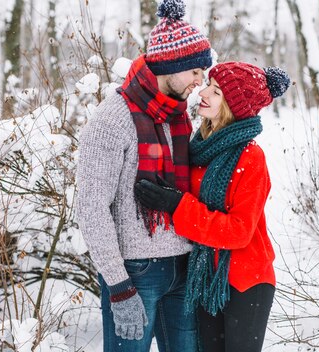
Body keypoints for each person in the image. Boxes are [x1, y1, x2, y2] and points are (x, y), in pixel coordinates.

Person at [75, 0, 212, 350]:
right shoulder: (112, 120)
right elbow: (91, 209)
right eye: (196, 71)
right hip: (136, 272)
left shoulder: (178, 117)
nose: (200, 81)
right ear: (170, 65)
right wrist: (119, 287)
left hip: (183, 265)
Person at [135, 62, 290, 352]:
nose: (203, 92)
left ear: (234, 106)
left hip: (246, 282)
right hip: (205, 277)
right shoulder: (198, 147)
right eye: (208, 84)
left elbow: (238, 231)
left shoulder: (250, 158)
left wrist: (178, 205)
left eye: (216, 91)